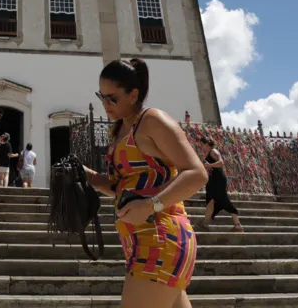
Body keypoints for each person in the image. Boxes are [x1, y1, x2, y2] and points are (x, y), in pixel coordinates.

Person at [82, 58, 209, 308]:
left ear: (133, 95)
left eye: (112, 98)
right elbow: (123, 187)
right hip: (140, 242)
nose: (106, 104)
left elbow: (197, 173)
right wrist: (86, 175)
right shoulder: (121, 131)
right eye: (102, 97)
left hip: (160, 237)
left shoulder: (152, 121)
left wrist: (151, 205)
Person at [197, 136, 243, 232]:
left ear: (206, 144)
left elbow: (221, 163)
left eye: (202, 145)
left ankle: (238, 225)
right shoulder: (209, 154)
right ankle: (205, 224)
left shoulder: (214, 151)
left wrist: (209, 165)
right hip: (212, 181)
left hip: (218, 180)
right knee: (210, 201)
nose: (201, 147)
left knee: (224, 201)